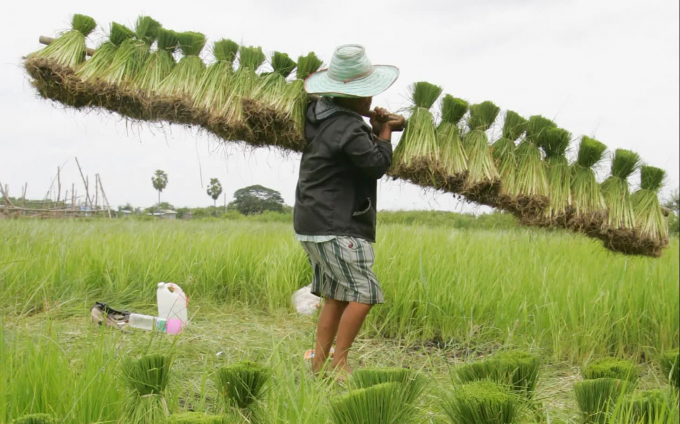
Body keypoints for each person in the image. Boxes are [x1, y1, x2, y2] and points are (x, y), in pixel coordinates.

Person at [294, 44, 405, 377]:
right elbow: (373, 164)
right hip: (337, 225)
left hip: (311, 222)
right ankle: (340, 362)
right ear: (352, 97)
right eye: (366, 93)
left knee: (336, 295)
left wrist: (377, 128)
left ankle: (318, 364)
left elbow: (353, 152)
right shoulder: (348, 126)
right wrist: (384, 133)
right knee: (365, 293)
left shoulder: (321, 117)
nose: (371, 100)